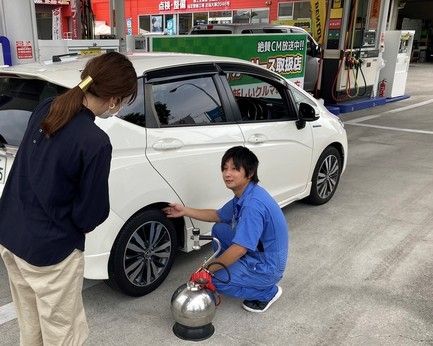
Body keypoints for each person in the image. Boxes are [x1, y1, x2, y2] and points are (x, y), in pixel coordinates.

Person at [0, 52, 137, 345]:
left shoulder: (48, 107)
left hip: (11, 235)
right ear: (113, 100)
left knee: (30, 324)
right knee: (62, 333)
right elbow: (90, 213)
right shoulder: (95, 141)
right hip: (50, 251)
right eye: (124, 101)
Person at [164, 146, 289, 313]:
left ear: (250, 173)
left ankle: (267, 292)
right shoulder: (245, 195)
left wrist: (207, 271)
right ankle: (236, 271)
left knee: (213, 280)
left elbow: (239, 248)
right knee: (220, 229)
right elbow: (217, 215)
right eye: (225, 168)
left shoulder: (253, 205)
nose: (227, 174)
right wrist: (185, 211)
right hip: (258, 252)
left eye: (235, 169)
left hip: (266, 266)